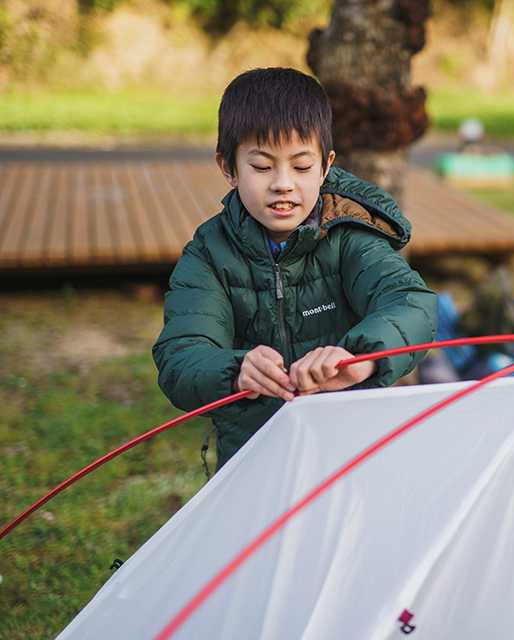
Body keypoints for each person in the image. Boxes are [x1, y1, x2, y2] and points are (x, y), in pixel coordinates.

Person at [153, 67, 437, 470]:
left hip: (350, 454)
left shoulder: (349, 236)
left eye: (301, 167)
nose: (283, 184)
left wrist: (360, 357)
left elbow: (411, 304)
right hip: (252, 460)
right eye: (263, 166)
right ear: (228, 168)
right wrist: (236, 371)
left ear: (325, 166)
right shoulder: (208, 255)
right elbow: (180, 355)